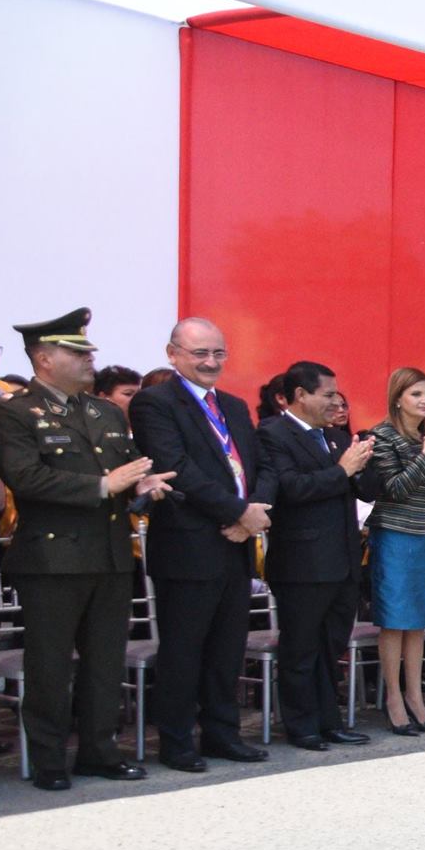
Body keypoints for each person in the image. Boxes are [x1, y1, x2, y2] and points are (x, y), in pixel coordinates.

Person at [0, 308, 173, 789]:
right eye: (77, 352)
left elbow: (129, 469)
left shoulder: (105, 411)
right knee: (50, 665)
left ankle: (98, 751)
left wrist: (144, 484)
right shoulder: (12, 412)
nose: (90, 358)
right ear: (44, 358)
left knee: (104, 662)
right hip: (53, 559)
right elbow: (27, 479)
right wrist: (103, 484)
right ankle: (49, 761)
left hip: (111, 554)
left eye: (89, 350)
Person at [127, 316, 273, 772]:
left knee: (227, 648)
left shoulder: (232, 404)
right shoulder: (155, 403)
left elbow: (258, 465)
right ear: (172, 354)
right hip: (189, 546)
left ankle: (222, 734)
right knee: (183, 651)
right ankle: (176, 742)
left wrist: (253, 515)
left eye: (218, 353)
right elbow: (176, 468)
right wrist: (236, 512)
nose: (211, 362)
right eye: (199, 353)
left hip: (237, 543)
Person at [259, 359, 372, 751]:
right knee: (301, 647)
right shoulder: (273, 433)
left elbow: (363, 488)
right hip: (302, 562)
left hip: (342, 560)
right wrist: (342, 471)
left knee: (330, 647)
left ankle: (329, 720)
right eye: (327, 395)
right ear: (300, 396)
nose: (334, 402)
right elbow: (290, 488)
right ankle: (301, 724)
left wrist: (366, 465)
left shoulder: (337, 437)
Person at [364, 367, 425, 735]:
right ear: (398, 397)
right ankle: (394, 698)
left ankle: (415, 696)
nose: (424, 401)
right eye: (416, 394)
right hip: (395, 536)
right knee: (395, 620)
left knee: (417, 621)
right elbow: (394, 489)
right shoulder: (380, 436)